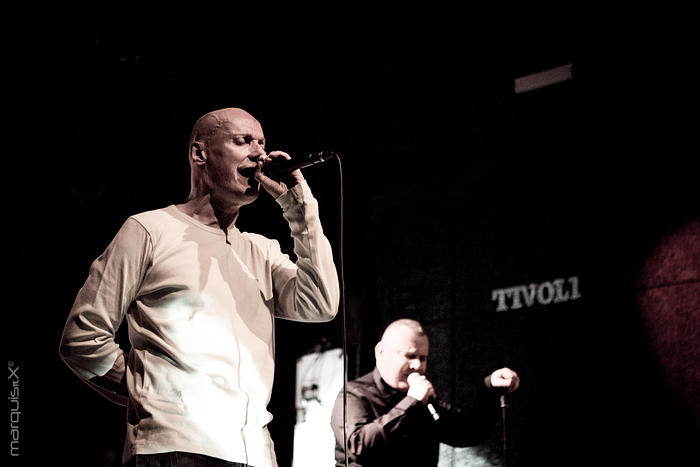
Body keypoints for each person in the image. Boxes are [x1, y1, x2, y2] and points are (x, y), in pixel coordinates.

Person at [59, 107, 340, 467]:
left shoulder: (261, 250)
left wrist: (299, 207)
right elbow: (83, 338)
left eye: (261, 143)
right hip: (175, 446)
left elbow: (320, 303)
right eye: (242, 141)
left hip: (256, 453)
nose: (259, 153)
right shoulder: (149, 230)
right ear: (199, 153)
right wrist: (145, 393)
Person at [330, 319, 520, 466]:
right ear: (380, 352)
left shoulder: (423, 400)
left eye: (423, 358)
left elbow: (470, 432)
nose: (418, 366)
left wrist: (490, 388)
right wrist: (411, 402)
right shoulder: (354, 394)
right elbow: (358, 445)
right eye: (410, 356)